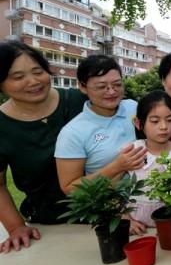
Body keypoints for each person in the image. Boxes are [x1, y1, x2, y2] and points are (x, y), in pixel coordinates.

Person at [0, 41, 86, 253]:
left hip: (112, 214)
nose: (33, 81)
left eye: (38, 71)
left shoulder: (79, 102)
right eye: (18, 77)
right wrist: (16, 227)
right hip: (48, 227)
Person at [55, 55, 145, 194]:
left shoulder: (133, 107)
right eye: (101, 86)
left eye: (117, 84)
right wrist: (117, 167)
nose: (111, 91)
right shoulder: (72, 133)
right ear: (82, 87)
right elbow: (70, 188)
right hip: (110, 207)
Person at [128, 90, 171, 234]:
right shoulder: (132, 151)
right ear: (138, 123)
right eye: (155, 121)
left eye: (170, 119)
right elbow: (112, 189)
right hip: (136, 231)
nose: (163, 127)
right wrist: (125, 219)